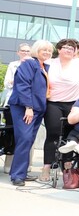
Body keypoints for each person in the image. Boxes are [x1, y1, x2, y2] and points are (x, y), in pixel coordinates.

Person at [41, 39, 79, 183]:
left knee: (70, 135)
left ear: (75, 51)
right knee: (53, 134)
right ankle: (46, 167)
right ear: (59, 49)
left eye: (72, 48)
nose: (69, 50)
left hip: (74, 103)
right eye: (66, 47)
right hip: (53, 103)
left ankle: (67, 165)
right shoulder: (50, 63)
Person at [7, 40, 53, 186]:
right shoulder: (29, 63)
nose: (46, 52)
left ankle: (21, 172)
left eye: (49, 50)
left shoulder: (45, 66)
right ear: (36, 50)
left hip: (38, 108)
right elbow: (23, 85)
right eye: (43, 50)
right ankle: (17, 176)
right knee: (25, 139)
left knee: (28, 141)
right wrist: (28, 107)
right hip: (24, 108)